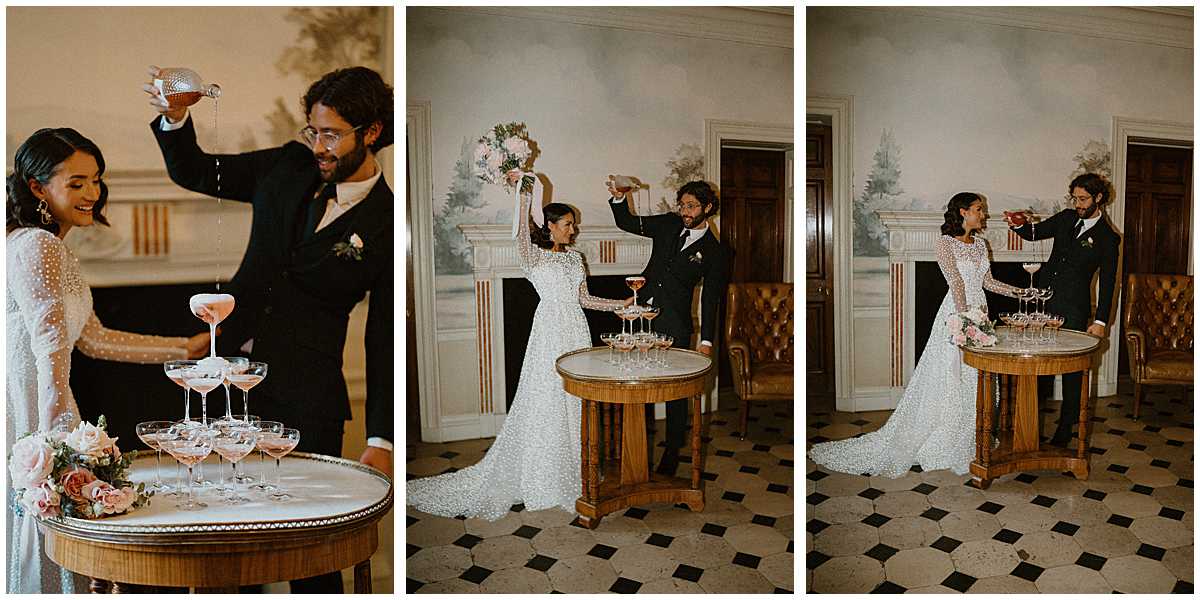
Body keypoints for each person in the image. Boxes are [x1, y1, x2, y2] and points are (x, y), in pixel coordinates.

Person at [144, 66, 393, 593]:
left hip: (308, 397)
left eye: (331, 134)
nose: (319, 145)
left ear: (370, 132)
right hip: (224, 379)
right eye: (313, 130)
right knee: (228, 535)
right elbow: (194, 169)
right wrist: (175, 115)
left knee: (314, 554)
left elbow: (384, 334)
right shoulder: (286, 165)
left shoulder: (387, 222)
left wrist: (382, 437)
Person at [6, 128, 209, 594]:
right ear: (38, 187)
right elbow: (50, 346)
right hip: (38, 411)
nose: (92, 194)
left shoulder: (39, 244)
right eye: (75, 183)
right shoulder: (39, 246)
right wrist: (60, 447)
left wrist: (182, 348)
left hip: (39, 403)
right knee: (58, 540)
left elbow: (95, 340)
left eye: (96, 180)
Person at [407, 184, 631, 521]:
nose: (574, 229)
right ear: (550, 225)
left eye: (573, 224)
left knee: (574, 400)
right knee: (546, 396)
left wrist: (620, 306)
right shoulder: (533, 255)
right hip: (549, 332)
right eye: (567, 224)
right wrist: (525, 192)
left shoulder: (576, 258)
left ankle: (573, 467)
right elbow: (522, 235)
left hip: (576, 330)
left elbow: (584, 299)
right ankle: (541, 474)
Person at [809, 192, 1022, 477]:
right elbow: (956, 283)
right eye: (978, 209)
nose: (983, 214)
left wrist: (1020, 292)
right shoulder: (945, 244)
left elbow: (988, 281)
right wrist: (966, 322)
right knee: (951, 374)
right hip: (959, 317)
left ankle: (970, 436)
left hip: (979, 313)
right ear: (962, 212)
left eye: (982, 210)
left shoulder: (981, 245)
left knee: (976, 378)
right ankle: (943, 439)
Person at [607, 179, 730, 475]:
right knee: (637, 381)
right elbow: (627, 222)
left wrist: (707, 341)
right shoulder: (667, 224)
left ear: (708, 208)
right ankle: (635, 444)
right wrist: (619, 198)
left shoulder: (716, 252)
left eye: (691, 206)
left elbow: (711, 300)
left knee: (675, 392)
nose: (685, 211)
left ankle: (673, 449)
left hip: (675, 326)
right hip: (640, 315)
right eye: (682, 205)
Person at [1006, 173, 1119, 446]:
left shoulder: (1108, 238)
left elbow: (1108, 283)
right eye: (1075, 198)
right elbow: (1034, 234)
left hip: (1074, 311)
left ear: (1098, 198)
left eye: (1083, 199)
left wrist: (1101, 321)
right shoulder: (1067, 218)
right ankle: (1027, 427)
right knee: (1034, 363)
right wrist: (1017, 224)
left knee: (1071, 374)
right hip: (1042, 302)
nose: (1078, 204)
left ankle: (1064, 431)